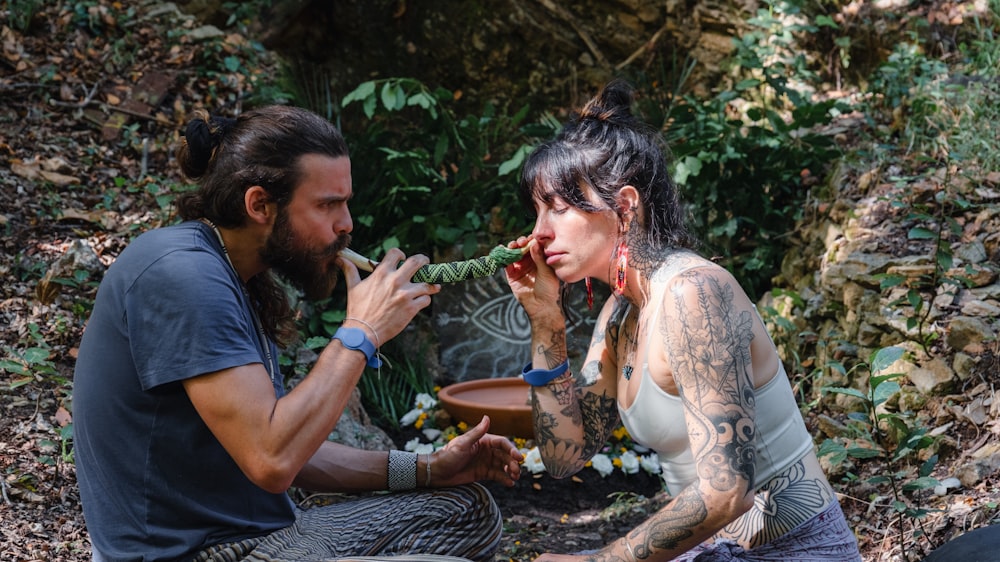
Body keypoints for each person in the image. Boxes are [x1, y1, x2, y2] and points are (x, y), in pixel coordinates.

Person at [73, 105, 523, 562]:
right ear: (259, 205)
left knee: (467, 509)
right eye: (327, 205)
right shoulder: (183, 275)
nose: (346, 224)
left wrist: (427, 470)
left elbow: (293, 449)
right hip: (208, 554)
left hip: (276, 534)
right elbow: (271, 460)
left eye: (345, 202)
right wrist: (361, 333)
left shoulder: (234, 276)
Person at [503, 80, 861, 561]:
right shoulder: (620, 314)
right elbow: (565, 455)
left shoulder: (696, 294)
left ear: (624, 207)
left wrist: (595, 560)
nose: (539, 233)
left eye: (560, 209)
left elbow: (727, 492)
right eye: (538, 211)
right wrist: (546, 323)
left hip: (792, 552)